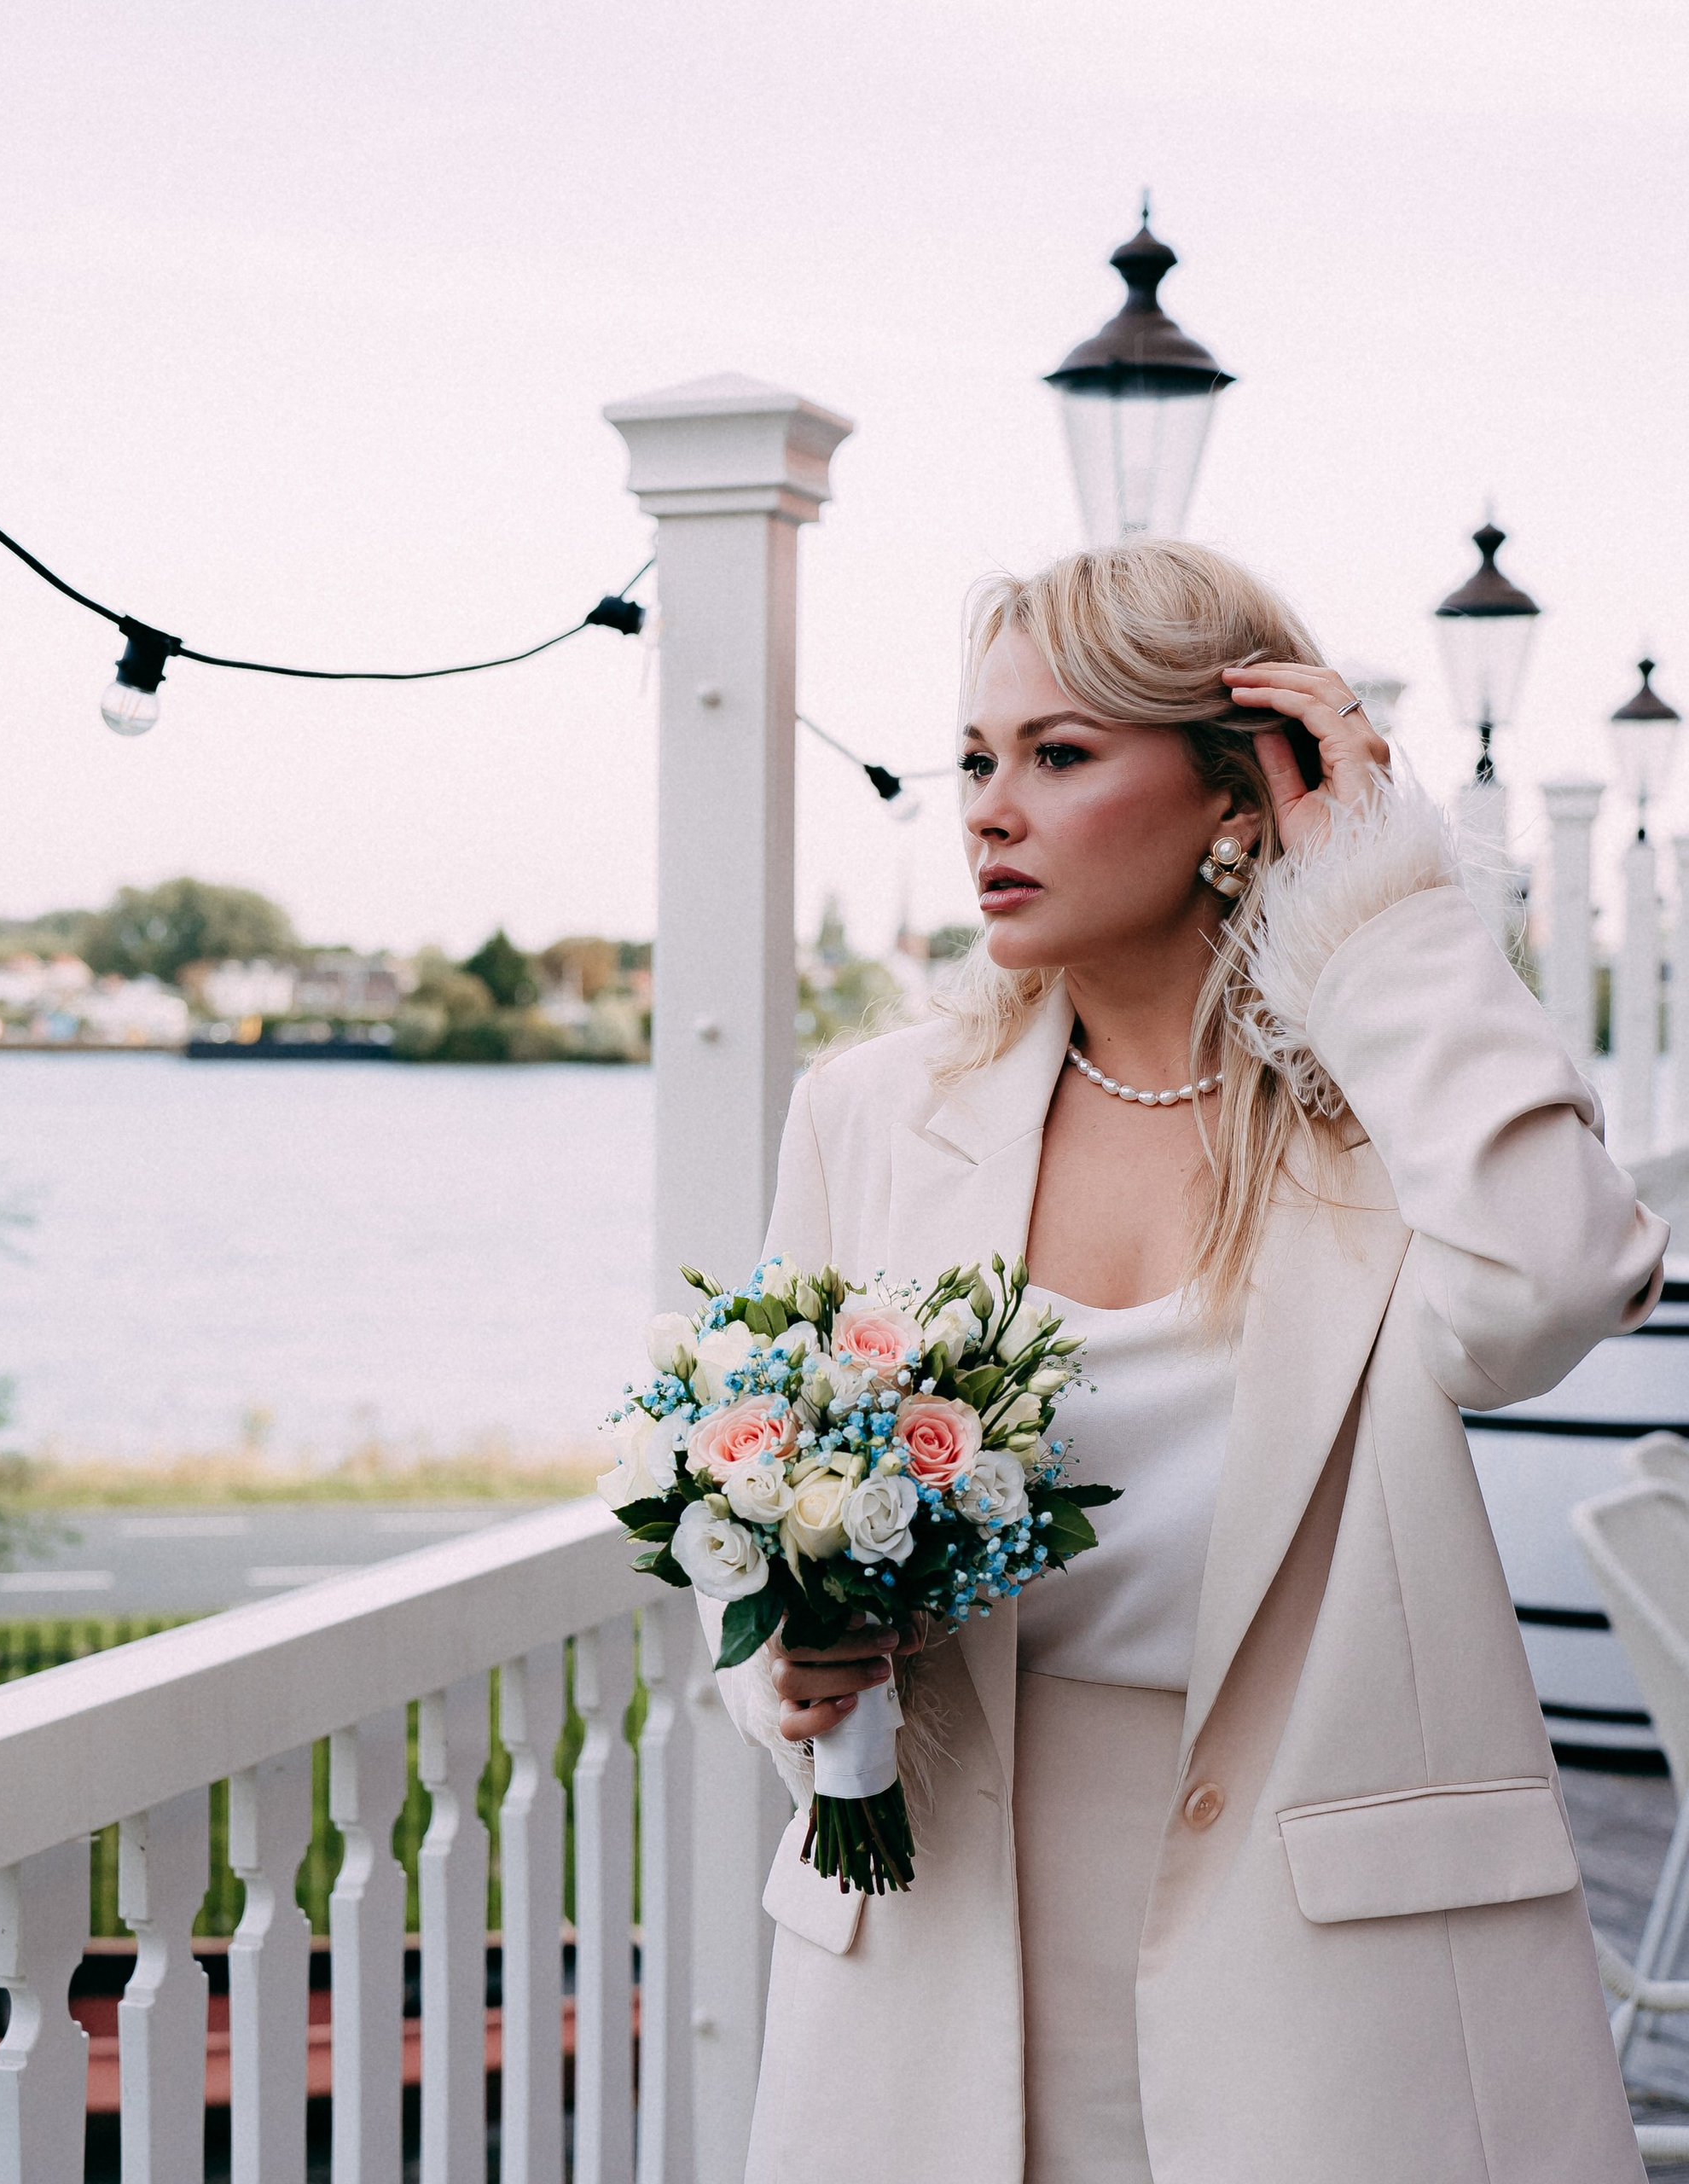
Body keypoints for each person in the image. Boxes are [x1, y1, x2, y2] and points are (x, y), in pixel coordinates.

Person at [712, 542, 1666, 2183]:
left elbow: (1560, 1282)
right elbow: (760, 1489)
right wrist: (777, 1678)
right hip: (943, 1942)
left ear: (1239, 797)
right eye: (974, 761)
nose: (989, 811)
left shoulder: (1384, 1119)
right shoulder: (870, 1114)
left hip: (1333, 1966)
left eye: (1061, 756)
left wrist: (1387, 903)